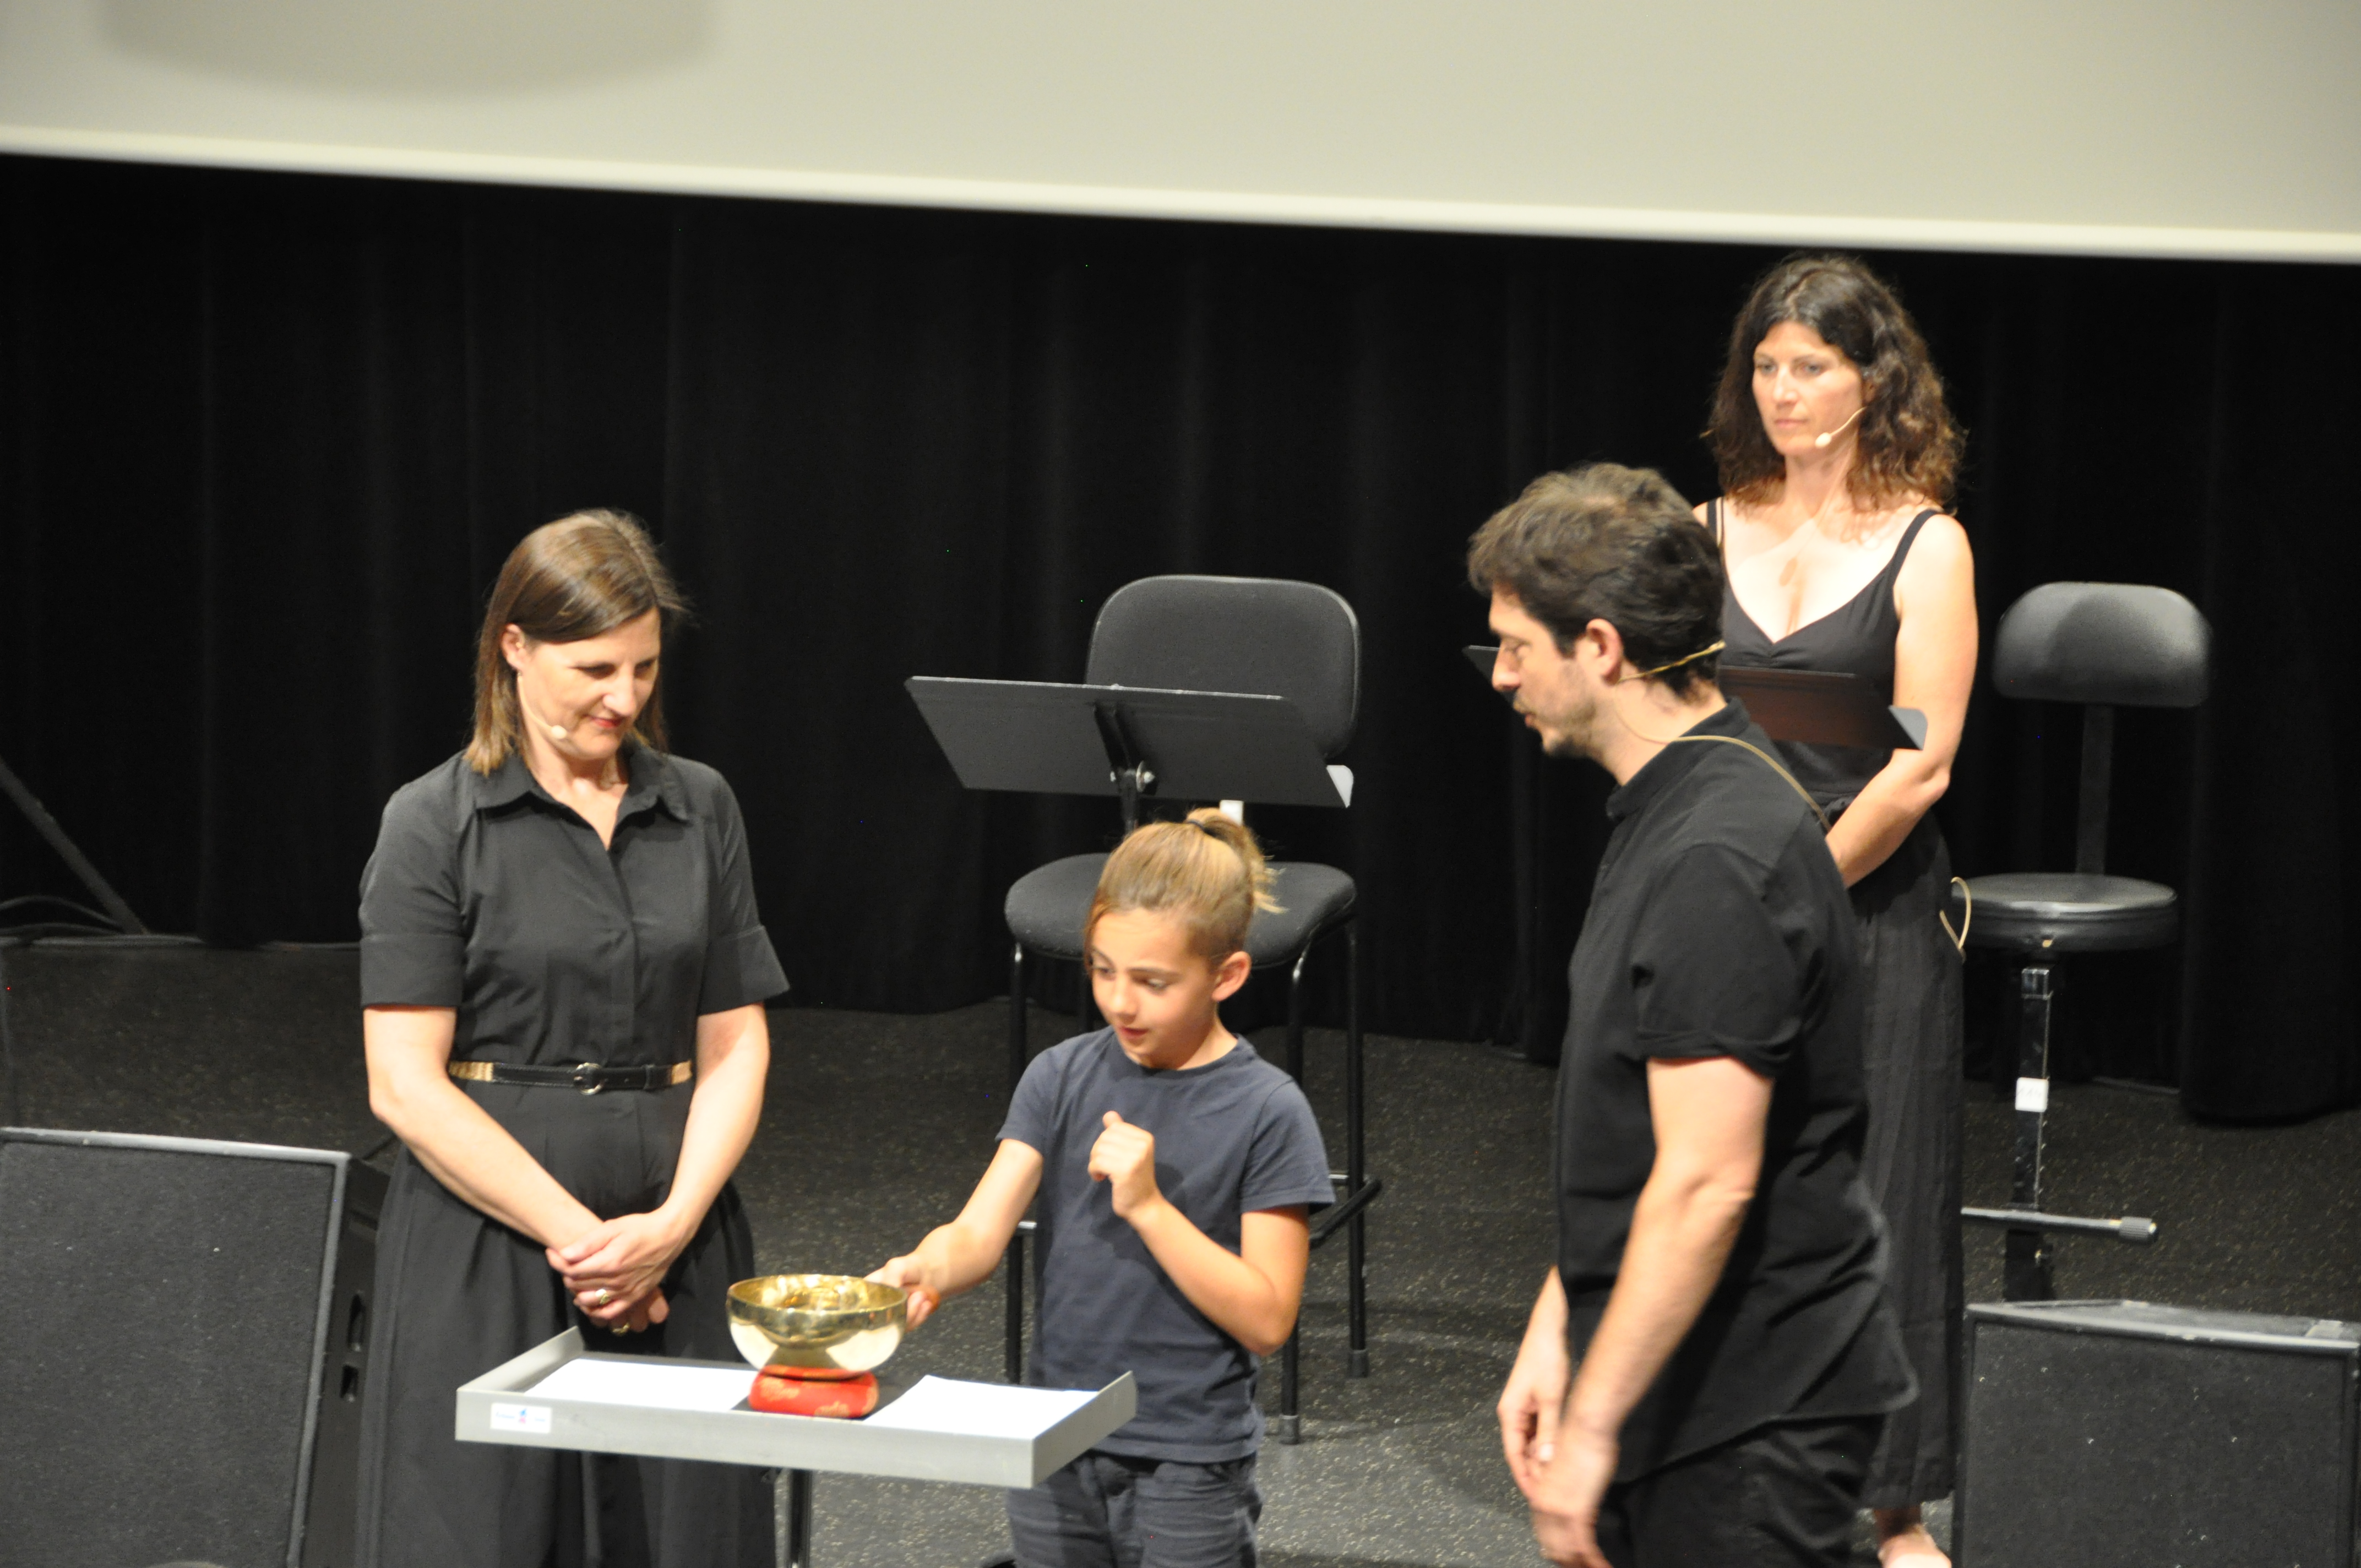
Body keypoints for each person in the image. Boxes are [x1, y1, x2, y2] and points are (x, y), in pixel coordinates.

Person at [1478, 464, 1914, 1568]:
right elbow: (1636, 1134)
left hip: (1746, 1417)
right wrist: (1562, 1322)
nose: (1501, 674)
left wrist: (1589, 1428)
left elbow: (1705, 1182)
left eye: (1516, 646)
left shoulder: (1717, 856)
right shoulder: (1682, 799)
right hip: (1693, 1385)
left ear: (1601, 648)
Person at [354, 511, 784, 1568]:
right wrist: (590, 1248)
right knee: (489, 1531)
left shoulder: (700, 808)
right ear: (514, 648)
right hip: (492, 1240)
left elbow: (736, 1044)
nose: (624, 698)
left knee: (682, 1534)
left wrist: (671, 1227)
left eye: (644, 667)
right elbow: (405, 1086)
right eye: (594, 669)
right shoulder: (433, 823)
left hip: (674, 1235)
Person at [1700, 254, 1978, 1567]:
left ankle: (1889, 1507)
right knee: (1718, 1179)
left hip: (1865, 903)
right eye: (1764, 365)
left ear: (1871, 381)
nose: (1782, 390)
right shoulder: (1707, 524)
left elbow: (1918, 765)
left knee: (1877, 1195)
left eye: (1808, 365)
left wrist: (1798, 888)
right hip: (1724, 896)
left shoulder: (1927, 542)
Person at [870, 809, 1334, 1568]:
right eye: (1102, 969)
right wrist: (928, 1267)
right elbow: (978, 1233)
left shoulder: (1268, 1110)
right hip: (1056, 1437)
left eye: (1153, 982)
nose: (1120, 1002)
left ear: (1227, 976)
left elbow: (1268, 1318)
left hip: (1187, 1457)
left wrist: (1150, 1208)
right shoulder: (1060, 1076)